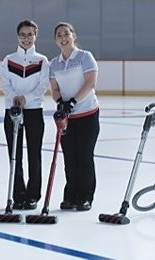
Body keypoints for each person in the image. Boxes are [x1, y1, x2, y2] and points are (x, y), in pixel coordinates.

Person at [49, 22, 99, 211]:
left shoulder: (85, 57)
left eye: (66, 34)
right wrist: (60, 101)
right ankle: (71, 195)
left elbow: (90, 82)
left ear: (73, 36)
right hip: (67, 117)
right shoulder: (54, 64)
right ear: (56, 40)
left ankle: (85, 197)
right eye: (59, 35)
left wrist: (73, 102)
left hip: (87, 114)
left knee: (84, 156)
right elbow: (54, 89)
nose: (63, 37)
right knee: (70, 157)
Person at [0, 20, 49, 210]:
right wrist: (15, 98)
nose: (26, 38)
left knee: (34, 154)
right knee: (15, 154)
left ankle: (33, 195)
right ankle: (17, 194)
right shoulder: (8, 59)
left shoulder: (42, 60)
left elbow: (43, 86)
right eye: (22, 34)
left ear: (35, 36)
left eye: (30, 34)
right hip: (12, 110)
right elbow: (4, 84)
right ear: (17, 36)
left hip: (34, 110)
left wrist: (26, 99)